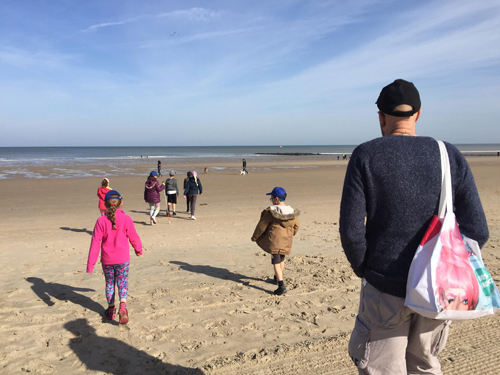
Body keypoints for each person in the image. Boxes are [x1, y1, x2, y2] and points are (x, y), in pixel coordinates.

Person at [339, 79, 489, 374]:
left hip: (385, 285)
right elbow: (478, 230)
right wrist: (447, 267)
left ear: (381, 117)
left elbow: (351, 230)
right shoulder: (449, 155)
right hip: (438, 290)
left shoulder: (366, 155)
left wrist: (367, 270)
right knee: (424, 364)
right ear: (417, 114)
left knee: (382, 367)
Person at [87, 190, 143, 324]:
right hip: (122, 259)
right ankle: (122, 306)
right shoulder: (126, 219)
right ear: (121, 203)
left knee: (110, 283)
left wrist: (90, 264)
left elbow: (95, 243)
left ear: (105, 205)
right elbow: (134, 237)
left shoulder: (101, 220)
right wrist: (138, 249)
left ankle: (111, 310)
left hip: (107, 260)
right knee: (122, 282)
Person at [251, 187, 300, 295]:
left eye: (272, 198)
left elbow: (261, 226)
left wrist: (255, 237)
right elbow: (296, 225)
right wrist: (291, 234)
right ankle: (277, 278)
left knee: (276, 262)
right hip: (286, 241)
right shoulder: (291, 213)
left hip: (275, 241)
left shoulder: (271, 213)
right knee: (281, 259)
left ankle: (281, 286)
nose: (271, 200)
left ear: (277, 199)